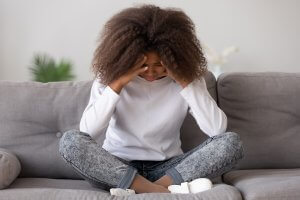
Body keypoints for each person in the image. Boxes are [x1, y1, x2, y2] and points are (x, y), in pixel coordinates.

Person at [59, 4, 244, 195]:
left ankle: (143, 188)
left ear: (174, 58)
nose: (151, 71)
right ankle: (161, 191)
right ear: (128, 57)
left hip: (169, 169)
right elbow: (87, 131)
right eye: (143, 64)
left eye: (160, 64)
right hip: (117, 167)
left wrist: (183, 81)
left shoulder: (189, 80)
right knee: (70, 141)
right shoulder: (109, 79)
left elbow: (217, 129)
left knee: (231, 142)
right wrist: (118, 84)